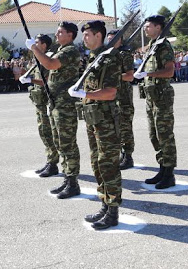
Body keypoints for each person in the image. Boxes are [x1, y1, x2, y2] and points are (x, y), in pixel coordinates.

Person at [69, 20, 122, 229]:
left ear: (99, 35)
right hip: (93, 119)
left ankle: (113, 211)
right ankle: (104, 204)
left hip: (106, 120)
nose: (84, 38)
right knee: (97, 164)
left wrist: (85, 94)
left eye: (88, 34)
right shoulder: (94, 58)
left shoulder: (110, 59)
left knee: (108, 165)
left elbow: (110, 92)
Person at [27, 21, 81, 199]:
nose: (57, 35)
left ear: (70, 35)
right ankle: (67, 178)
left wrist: (35, 49)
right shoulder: (62, 50)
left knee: (68, 144)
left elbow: (50, 65)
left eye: (60, 32)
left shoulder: (70, 51)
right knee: (60, 142)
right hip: (57, 103)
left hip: (65, 104)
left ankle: (73, 182)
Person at [134, 15, 177, 189]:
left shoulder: (164, 46)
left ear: (159, 27)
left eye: (148, 26)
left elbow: (169, 72)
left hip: (162, 97)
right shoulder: (153, 45)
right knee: (154, 135)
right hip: (151, 97)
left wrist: (147, 75)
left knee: (165, 135)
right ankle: (162, 168)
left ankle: (169, 173)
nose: (146, 29)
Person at [20, 34, 60, 178]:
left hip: (47, 102)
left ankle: (53, 163)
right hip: (39, 103)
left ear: (43, 45)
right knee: (43, 132)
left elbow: (47, 81)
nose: (33, 44)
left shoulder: (48, 59)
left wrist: (31, 80)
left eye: (36, 42)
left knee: (49, 133)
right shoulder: (38, 59)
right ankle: (50, 160)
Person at [106, 29, 136, 170]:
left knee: (125, 127)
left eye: (114, 38)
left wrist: (114, 76)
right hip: (112, 97)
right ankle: (120, 154)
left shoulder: (125, 54)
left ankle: (128, 156)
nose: (111, 41)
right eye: (109, 38)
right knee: (115, 128)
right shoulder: (108, 55)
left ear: (120, 40)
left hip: (123, 98)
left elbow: (130, 76)